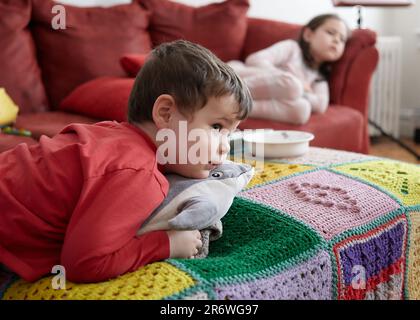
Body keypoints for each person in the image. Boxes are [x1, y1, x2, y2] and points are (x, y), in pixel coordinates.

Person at [0, 40, 252, 283]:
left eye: (229, 133)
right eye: (217, 127)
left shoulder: (113, 135)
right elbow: (84, 263)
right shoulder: (137, 173)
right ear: (166, 113)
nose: (224, 146)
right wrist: (166, 244)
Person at [228, 13, 349, 125]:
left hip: (266, 97)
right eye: (331, 32)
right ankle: (225, 91)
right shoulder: (292, 49)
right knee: (292, 84)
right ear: (308, 35)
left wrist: (299, 91)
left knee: (302, 110)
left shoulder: (319, 78)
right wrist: (292, 80)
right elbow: (255, 60)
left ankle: (234, 107)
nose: (337, 40)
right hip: (240, 76)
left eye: (342, 39)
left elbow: (320, 105)